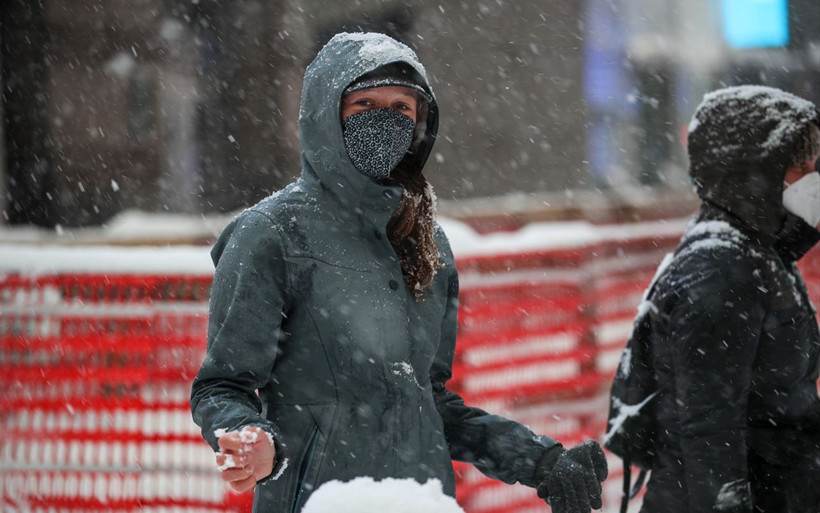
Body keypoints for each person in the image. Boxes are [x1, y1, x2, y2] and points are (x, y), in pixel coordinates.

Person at [190, 32, 607, 513]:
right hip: (319, 502)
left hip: (421, 499)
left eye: (401, 108)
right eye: (364, 103)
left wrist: (541, 461)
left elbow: (429, 403)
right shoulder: (271, 235)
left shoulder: (426, 241)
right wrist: (254, 438)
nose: (383, 120)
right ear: (326, 115)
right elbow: (222, 385)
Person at [632, 85, 820, 513]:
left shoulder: (759, 256)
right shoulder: (721, 272)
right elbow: (710, 432)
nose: (813, 177)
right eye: (798, 167)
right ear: (752, 173)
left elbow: (783, 403)